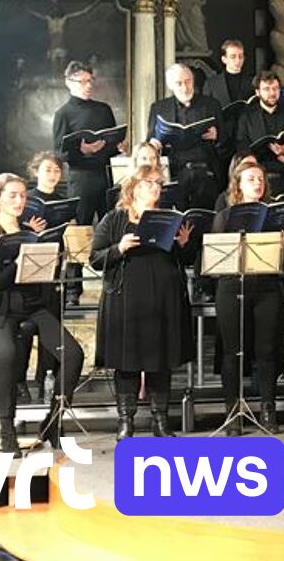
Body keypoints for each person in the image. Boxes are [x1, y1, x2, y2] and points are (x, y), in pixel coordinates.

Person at [0, 173, 85, 456]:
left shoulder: (32, 232)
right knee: (8, 355)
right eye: (12, 195)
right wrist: (19, 262)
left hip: (33, 304)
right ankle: (7, 431)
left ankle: (53, 421)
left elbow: (38, 277)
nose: (19, 201)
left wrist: (45, 258)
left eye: (23, 195)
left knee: (73, 354)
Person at [90, 165, 194, 440]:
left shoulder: (168, 217)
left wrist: (184, 244)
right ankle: (127, 421)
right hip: (127, 298)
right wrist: (119, 248)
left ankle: (161, 421)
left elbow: (186, 260)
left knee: (161, 359)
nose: (156, 188)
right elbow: (95, 258)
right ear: (133, 186)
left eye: (159, 184)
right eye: (149, 183)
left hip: (164, 295)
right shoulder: (115, 219)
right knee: (128, 360)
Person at [212, 162, 284, 434]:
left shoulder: (273, 216)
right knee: (233, 353)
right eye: (251, 179)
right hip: (232, 288)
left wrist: (281, 247)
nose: (258, 183)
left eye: (260, 178)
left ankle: (268, 411)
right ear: (238, 185)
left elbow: (281, 262)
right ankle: (233, 414)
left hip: (266, 288)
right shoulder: (224, 216)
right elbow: (215, 257)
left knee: (266, 351)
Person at [52, 60, 120, 306]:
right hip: (80, 179)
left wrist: (114, 145)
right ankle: (73, 290)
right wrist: (83, 149)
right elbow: (59, 152)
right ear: (69, 83)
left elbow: (114, 140)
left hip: (105, 175)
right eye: (83, 81)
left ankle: (114, 281)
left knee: (111, 229)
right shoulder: (63, 114)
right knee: (77, 232)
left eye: (91, 80)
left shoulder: (103, 109)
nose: (88, 85)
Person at [17, 152, 66, 403]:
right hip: (29, 272)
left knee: (52, 330)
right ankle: (19, 383)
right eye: (47, 170)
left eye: (56, 170)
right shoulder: (25, 201)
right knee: (24, 330)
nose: (53, 174)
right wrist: (30, 232)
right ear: (35, 172)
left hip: (55, 270)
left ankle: (45, 381)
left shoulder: (65, 201)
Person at [148, 63, 225, 210]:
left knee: (205, 217)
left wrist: (217, 135)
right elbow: (150, 141)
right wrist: (155, 144)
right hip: (174, 171)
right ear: (171, 85)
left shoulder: (211, 104)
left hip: (205, 170)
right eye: (179, 83)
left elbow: (225, 138)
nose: (185, 87)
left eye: (188, 81)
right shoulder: (159, 108)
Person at [236, 71, 284, 199]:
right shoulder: (246, 116)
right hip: (258, 168)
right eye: (267, 89)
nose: (272, 93)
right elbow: (241, 144)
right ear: (257, 92)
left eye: (275, 88)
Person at [202, 39, 254, 169]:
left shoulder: (253, 82)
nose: (237, 60)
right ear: (224, 59)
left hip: (246, 137)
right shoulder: (212, 83)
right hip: (221, 138)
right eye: (233, 56)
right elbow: (205, 111)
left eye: (240, 56)